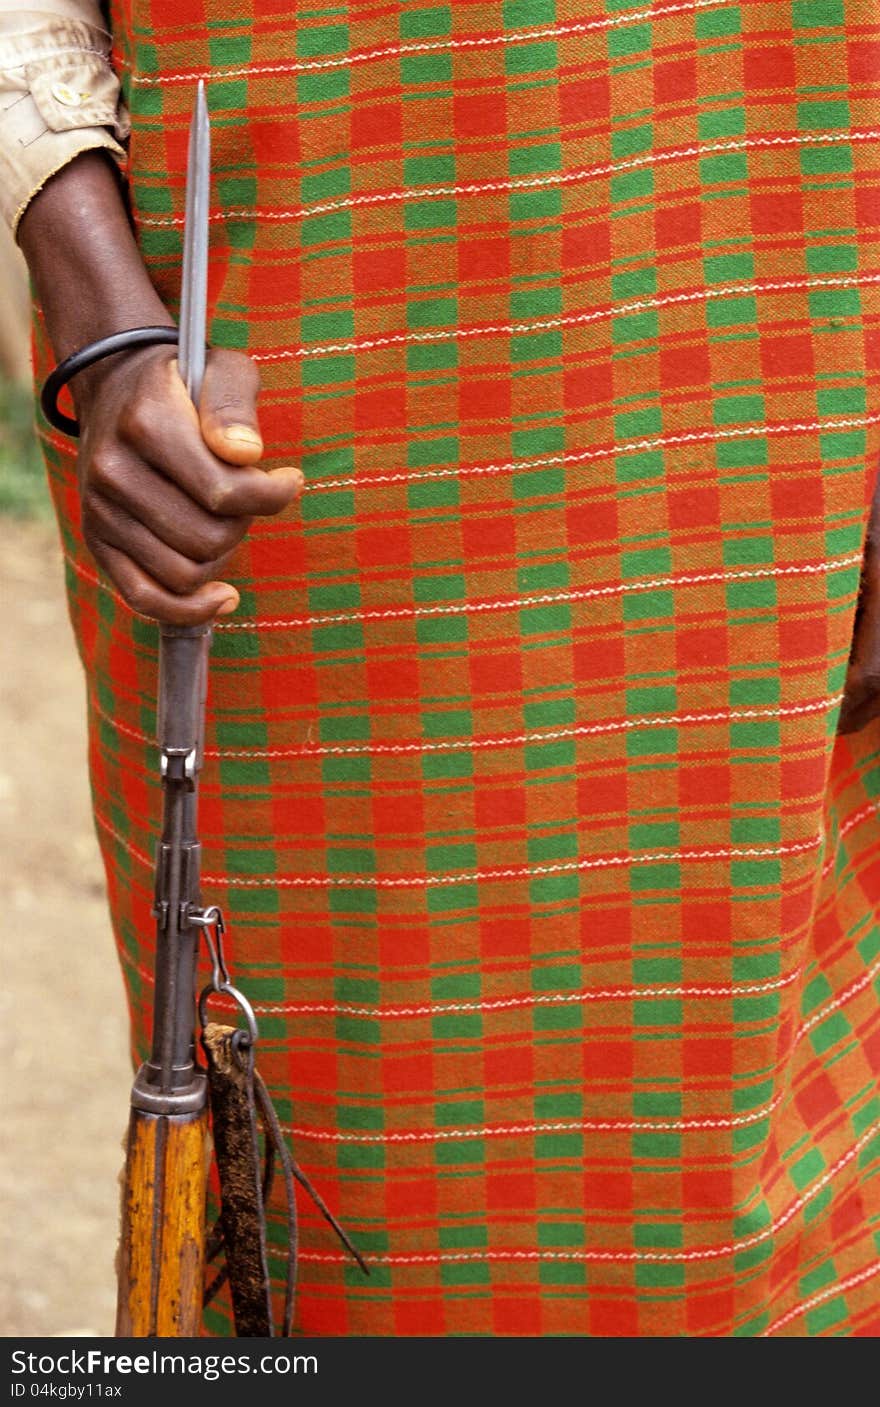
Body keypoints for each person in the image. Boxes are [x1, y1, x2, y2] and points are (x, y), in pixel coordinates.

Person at [2, 0, 879, 1338]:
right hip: (288, 461)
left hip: (776, 366)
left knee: (749, 1185)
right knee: (340, 1194)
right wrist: (105, 325)